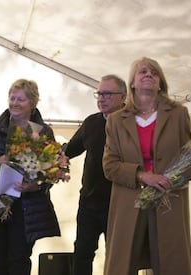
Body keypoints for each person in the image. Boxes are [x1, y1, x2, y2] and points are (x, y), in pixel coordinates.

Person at [102, 57, 191, 275]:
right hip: (129, 204)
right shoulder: (116, 120)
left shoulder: (178, 114)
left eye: (154, 73)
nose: (148, 75)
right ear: (133, 83)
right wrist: (143, 175)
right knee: (123, 264)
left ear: (161, 82)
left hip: (169, 200)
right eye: (142, 72)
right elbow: (110, 165)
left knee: (171, 263)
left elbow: (187, 157)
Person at [0, 79, 61, 275]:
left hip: (27, 205)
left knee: (19, 259)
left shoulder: (43, 132)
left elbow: (53, 168)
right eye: (12, 98)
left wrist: (37, 185)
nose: (15, 103)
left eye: (21, 99)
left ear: (33, 103)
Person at [64, 74, 126, 275]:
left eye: (107, 93)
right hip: (89, 203)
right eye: (99, 93)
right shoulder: (91, 122)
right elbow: (69, 150)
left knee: (119, 258)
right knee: (82, 254)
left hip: (119, 204)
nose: (101, 98)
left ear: (123, 96)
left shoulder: (132, 124)